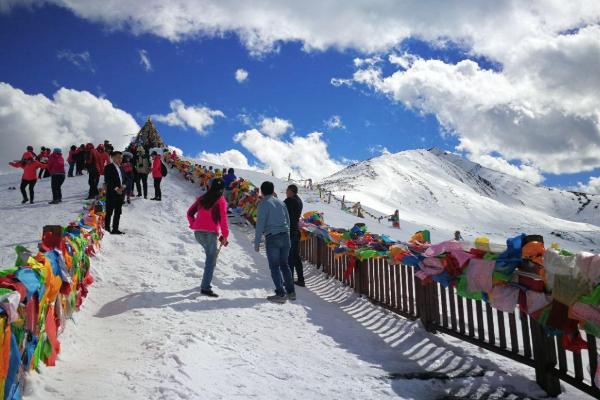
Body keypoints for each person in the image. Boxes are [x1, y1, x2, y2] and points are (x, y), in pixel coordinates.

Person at [187, 178, 229, 297]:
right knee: (211, 260)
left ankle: (206, 280)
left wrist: (193, 224)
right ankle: (205, 287)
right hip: (210, 234)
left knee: (211, 257)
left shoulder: (202, 198)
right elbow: (223, 220)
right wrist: (225, 235)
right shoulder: (221, 200)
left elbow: (190, 213)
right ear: (222, 189)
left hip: (198, 233)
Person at [254, 181, 295, 303]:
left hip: (272, 237)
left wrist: (257, 243)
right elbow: (288, 220)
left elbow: (260, 224)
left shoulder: (263, 204)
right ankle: (291, 292)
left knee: (275, 267)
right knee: (285, 264)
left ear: (262, 191)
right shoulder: (281, 202)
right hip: (285, 236)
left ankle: (281, 294)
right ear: (273, 190)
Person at [284, 184, 305, 286]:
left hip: (291, 232)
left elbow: (279, 208)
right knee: (295, 256)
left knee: (290, 257)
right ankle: (301, 279)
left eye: (287, 190)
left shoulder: (290, 201)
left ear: (291, 191)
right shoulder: (298, 200)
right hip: (296, 231)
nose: (286, 192)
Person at [104, 151, 126, 234]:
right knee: (109, 211)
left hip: (120, 194)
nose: (120, 159)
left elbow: (126, 179)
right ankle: (107, 229)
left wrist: (124, 186)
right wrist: (117, 189)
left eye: (121, 158)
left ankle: (115, 229)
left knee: (118, 212)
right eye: (118, 157)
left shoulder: (121, 168)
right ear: (112, 158)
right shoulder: (108, 167)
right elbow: (108, 180)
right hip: (112, 193)